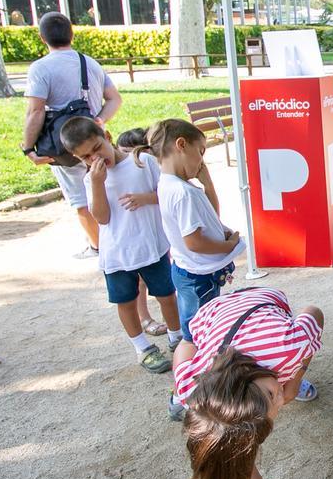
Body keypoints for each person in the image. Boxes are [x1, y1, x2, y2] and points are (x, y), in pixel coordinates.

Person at [173, 287, 321, 479]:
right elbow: (184, 349)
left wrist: (294, 380)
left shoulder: (290, 343)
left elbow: (314, 313)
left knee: (290, 367)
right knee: (233, 439)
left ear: (246, 375)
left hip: (262, 298)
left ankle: (288, 371)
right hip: (211, 320)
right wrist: (190, 339)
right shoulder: (191, 389)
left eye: (272, 396)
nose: (282, 401)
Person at [61, 118, 182, 374]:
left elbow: (167, 193)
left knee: (166, 295)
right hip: (117, 253)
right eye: (85, 157)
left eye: (97, 148)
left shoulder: (142, 162)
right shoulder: (91, 179)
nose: (95, 158)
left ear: (107, 135)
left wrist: (145, 198)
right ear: (76, 158)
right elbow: (102, 218)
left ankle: (176, 336)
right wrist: (96, 184)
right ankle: (143, 348)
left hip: (152, 246)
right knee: (126, 301)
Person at [21, 12, 122, 258]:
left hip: (63, 145)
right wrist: (100, 120)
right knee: (107, 188)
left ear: (42, 36)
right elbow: (114, 99)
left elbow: (35, 112)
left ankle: (99, 247)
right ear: (72, 33)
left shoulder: (41, 68)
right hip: (94, 137)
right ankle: (114, 239)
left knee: (80, 199)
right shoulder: (90, 63)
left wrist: (28, 148)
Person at [139, 120, 245, 345]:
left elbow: (211, 219)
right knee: (198, 333)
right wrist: (228, 245)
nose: (202, 160)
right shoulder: (183, 192)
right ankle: (194, 372)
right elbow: (195, 242)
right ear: (182, 145)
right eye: (201, 151)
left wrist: (207, 184)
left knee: (201, 327)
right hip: (199, 275)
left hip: (192, 270)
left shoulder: (169, 184)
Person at [117, 128, 166, 337]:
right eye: (123, 152)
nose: (126, 157)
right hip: (132, 236)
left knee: (162, 281)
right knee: (139, 280)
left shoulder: (150, 166)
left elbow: (167, 194)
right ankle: (144, 316)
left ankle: (171, 319)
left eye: (131, 152)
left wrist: (146, 198)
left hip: (157, 231)